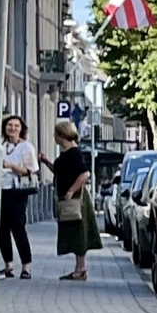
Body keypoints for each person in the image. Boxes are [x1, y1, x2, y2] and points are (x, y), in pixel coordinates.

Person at [51, 119, 96, 281]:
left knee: (79, 232)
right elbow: (61, 172)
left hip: (76, 200)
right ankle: (79, 268)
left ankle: (81, 269)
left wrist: (71, 190)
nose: (54, 137)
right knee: (75, 232)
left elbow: (85, 174)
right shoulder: (65, 154)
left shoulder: (74, 153)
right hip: (70, 197)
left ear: (62, 135)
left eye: (56, 134)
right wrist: (46, 162)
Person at [0, 115, 39, 279]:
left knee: (18, 228)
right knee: (1, 230)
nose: (12, 128)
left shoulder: (26, 147)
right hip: (0, 189)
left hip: (17, 191)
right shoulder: (1, 145)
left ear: (21, 129)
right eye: (9, 125)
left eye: (16, 126)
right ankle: (8, 265)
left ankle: (26, 266)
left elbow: (30, 171)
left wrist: (12, 165)